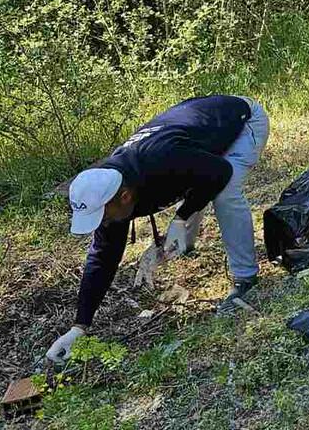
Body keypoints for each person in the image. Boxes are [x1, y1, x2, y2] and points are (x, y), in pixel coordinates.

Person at [46, 95, 269, 363]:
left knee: (223, 192)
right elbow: (102, 257)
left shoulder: (162, 162)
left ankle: (245, 278)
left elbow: (219, 172)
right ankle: (186, 245)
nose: (102, 224)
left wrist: (181, 217)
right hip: (196, 139)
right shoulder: (110, 191)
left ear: (126, 197)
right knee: (199, 177)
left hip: (242, 121)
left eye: (102, 217)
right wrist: (79, 326)